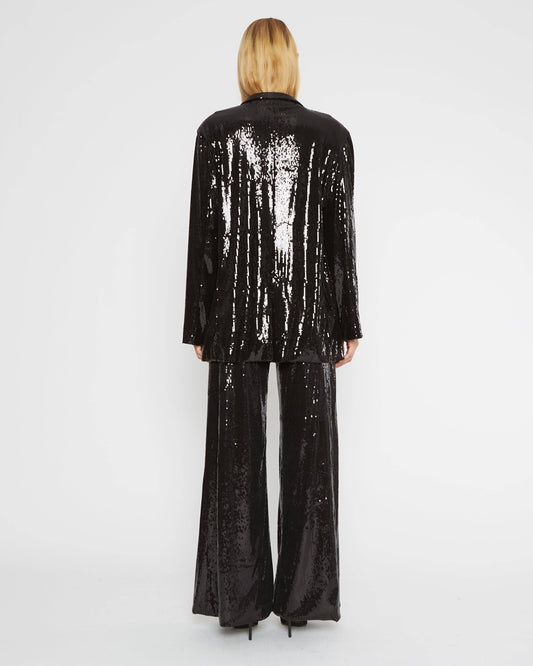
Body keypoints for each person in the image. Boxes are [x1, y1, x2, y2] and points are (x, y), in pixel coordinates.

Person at [182, 18, 363, 640]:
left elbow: (204, 236)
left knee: (233, 457)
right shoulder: (330, 135)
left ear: (246, 63)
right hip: (311, 315)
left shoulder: (216, 133)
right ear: (291, 63)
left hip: (234, 315)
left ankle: (239, 601)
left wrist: (199, 321)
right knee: (312, 458)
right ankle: (303, 599)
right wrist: (347, 319)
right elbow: (340, 240)